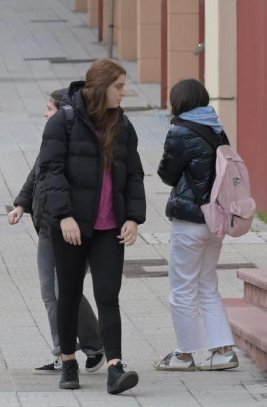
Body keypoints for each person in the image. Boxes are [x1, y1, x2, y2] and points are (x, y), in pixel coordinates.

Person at [36, 59, 146, 394]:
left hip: (109, 227)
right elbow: (50, 171)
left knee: (108, 295)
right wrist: (64, 214)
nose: (123, 93)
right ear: (100, 88)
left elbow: (134, 175)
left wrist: (132, 218)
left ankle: (115, 367)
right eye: (118, 87)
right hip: (70, 226)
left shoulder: (122, 125)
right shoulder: (63, 122)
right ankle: (69, 361)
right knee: (67, 294)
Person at [9, 88, 105, 375]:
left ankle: (88, 347)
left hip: (72, 228)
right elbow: (38, 173)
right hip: (47, 228)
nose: (44, 113)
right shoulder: (53, 136)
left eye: (48, 108)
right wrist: (21, 204)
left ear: (63, 111)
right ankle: (66, 351)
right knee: (51, 292)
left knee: (66, 290)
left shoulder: (73, 138)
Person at [153, 79, 240, 371]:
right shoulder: (217, 128)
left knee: (182, 288)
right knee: (207, 285)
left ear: (178, 102)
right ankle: (223, 351)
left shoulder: (179, 132)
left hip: (190, 220)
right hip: (216, 220)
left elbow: (167, 173)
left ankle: (184, 354)